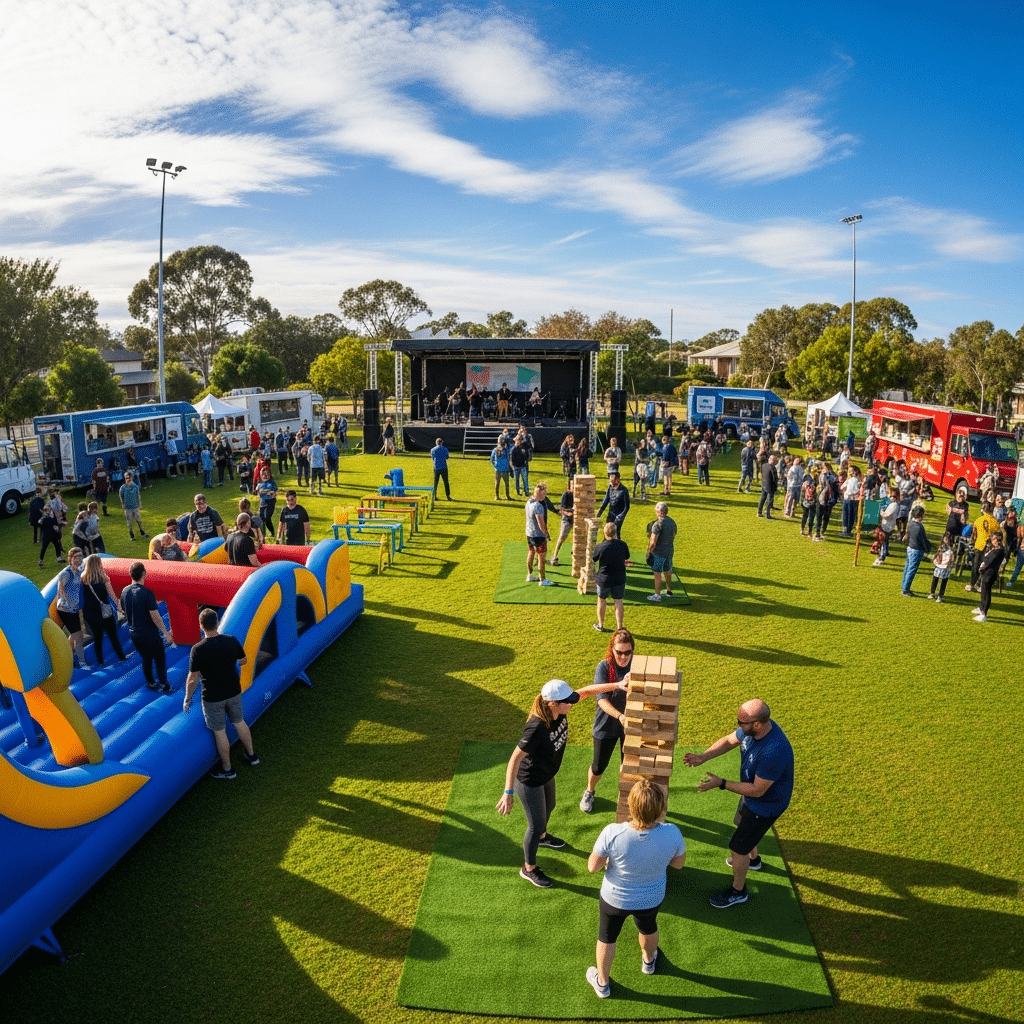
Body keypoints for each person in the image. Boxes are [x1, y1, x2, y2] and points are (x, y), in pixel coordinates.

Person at [496, 677, 627, 888]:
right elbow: (515, 758)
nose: (572, 703)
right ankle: (528, 868)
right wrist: (508, 792)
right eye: (568, 701)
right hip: (530, 780)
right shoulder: (536, 728)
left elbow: (585, 692)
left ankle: (542, 837)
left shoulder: (559, 709)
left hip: (547, 774)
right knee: (535, 824)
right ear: (553, 703)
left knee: (551, 806)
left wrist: (617, 685)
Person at [684, 698, 793, 909]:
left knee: (737, 848)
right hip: (752, 796)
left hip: (765, 805)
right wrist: (703, 757)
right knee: (739, 823)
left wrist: (721, 783)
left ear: (758, 724)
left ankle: (738, 891)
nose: (739, 726)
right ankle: (754, 861)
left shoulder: (774, 751)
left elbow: (757, 790)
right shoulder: (753, 729)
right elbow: (729, 740)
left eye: (742, 722)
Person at [585, 779, 686, 997]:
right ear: (660, 808)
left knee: (607, 936)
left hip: (614, 900)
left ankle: (602, 983)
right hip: (651, 898)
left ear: (631, 806)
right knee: (648, 927)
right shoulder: (672, 832)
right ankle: (648, 962)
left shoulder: (612, 832)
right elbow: (678, 864)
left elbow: (593, 867)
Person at [183, 608, 259, 779]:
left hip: (213, 697)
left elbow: (192, 678)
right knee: (239, 722)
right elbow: (244, 660)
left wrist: (187, 698)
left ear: (201, 626)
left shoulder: (198, 649)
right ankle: (252, 755)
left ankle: (228, 769)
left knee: (220, 732)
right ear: (217, 623)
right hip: (233, 690)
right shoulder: (230, 640)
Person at [579, 628, 634, 812]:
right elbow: (601, 699)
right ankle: (589, 791)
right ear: (612, 649)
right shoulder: (604, 666)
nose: (624, 657)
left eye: (628, 652)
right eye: (619, 652)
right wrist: (620, 716)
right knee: (598, 766)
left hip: (630, 725)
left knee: (629, 766)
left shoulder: (637, 666)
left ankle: (629, 799)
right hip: (606, 724)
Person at [121, 560, 174, 691]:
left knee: (146, 658)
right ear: (144, 574)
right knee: (160, 659)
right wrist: (166, 633)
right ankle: (165, 685)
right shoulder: (147, 593)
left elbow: (123, 609)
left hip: (134, 633)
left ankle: (150, 682)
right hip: (149, 634)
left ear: (131, 575)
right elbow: (155, 616)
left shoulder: (124, 591)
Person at [80, 553, 129, 668]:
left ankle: (100, 662)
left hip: (91, 615)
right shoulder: (104, 578)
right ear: (98, 565)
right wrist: (120, 606)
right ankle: (122, 657)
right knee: (113, 637)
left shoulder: (82, 579)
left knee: (98, 639)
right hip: (105, 613)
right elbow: (112, 595)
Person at [56, 548, 90, 672]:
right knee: (79, 637)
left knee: (74, 635)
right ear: (70, 559)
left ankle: (70, 659)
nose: (79, 559)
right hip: (66, 609)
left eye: (80, 557)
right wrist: (70, 604)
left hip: (73, 609)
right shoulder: (66, 573)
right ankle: (82, 663)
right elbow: (60, 590)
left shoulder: (78, 571)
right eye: (76, 557)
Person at [592, 522, 629, 633]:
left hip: (604, 578)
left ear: (604, 533)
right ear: (615, 533)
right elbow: (627, 556)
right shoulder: (622, 545)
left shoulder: (600, 546)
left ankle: (601, 624)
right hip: (619, 578)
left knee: (601, 601)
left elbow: (594, 559)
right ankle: (619, 627)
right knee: (618, 602)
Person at [524, 482, 554, 586]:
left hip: (529, 533)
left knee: (531, 552)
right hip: (538, 536)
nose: (545, 496)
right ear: (539, 494)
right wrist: (546, 534)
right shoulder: (538, 506)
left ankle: (529, 575)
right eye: (543, 494)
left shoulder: (529, 502)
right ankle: (543, 580)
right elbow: (541, 523)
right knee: (541, 557)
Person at [966, 502, 1000, 593]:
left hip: (979, 545)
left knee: (976, 566)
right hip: (989, 547)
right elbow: (997, 536)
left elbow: (974, 534)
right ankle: (980, 585)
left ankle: (972, 584)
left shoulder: (979, 520)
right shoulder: (995, 522)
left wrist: (972, 543)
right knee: (985, 567)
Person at [646, 501, 676, 601]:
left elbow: (653, 542)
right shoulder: (672, 522)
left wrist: (649, 552)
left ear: (659, 512)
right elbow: (673, 535)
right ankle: (669, 590)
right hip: (669, 551)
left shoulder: (657, 524)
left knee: (657, 573)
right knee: (668, 571)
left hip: (658, 552)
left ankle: (657, 595)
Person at [972, 532, 1002, 623]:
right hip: (987, 573)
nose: (992, 541)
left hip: (990, 574)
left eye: (993, 539)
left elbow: (987, 560)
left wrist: (985, 557)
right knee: (983, 591)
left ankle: (983, 613)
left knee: (986, 592)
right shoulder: (995, 550)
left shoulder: (998, 551)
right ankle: (981, 608)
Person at [902, 505, 931, 596]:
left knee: (907, 568)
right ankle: (906, 590)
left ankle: (904, 586)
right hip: (916, 550)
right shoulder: (919, 527)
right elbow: (923, 540)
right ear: (920, 516)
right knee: (911, 570)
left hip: (910, 548)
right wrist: (928, 549)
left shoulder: (911, 524)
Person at [119, 471, 148, 542]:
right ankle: (131, 534)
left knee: (139, 520)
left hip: (135, 507)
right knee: (129, 522)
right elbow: (121, 497)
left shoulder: (135, 486)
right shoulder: (123, 488)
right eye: (126, 478)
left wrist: (139, 504)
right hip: (128, 508)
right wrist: (123, 506)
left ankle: (142, 531)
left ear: (132, 478)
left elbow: (138, 496)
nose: (128, 479)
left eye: (129, 477)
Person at [549, 484, 574, 566]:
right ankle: (555, 556)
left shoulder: (578, 494)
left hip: (575, 519)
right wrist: (569, 513)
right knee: (562, 537)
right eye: (573, 484)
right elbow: (561, 510)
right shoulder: (566, 495)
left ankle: (575, 553)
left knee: (578, 537)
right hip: (566, 519)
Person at [38, 501, 65, 569]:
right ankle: (41, 561)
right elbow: (42, 523)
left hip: (53, 534)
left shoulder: (52, 516)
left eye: (49, 509)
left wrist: (58, 526)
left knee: (57, 545)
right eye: (47, 510)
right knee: (44, 548)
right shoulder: (44, 518)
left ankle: (59, 557)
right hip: (46, 536)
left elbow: (55, 522)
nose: (49, 510)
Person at [928, 531, 954, 602]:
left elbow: (952, 558)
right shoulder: (941, 547)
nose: (947, 541)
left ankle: (940, 596)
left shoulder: (951, 548)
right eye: (945, 539)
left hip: (946, 566)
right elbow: (937, 555)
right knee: (935, 579)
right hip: (939, 565)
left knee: (944, 581)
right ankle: (932, 593)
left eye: (948, 540)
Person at [256, 468, 278, 534]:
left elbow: (274, 493)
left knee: (267, 518)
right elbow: (257, 491)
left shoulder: (272, 482)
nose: (265, 476)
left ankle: (272, 532)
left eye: (267, 474)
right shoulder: (260, 483)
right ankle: (263, 535)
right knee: (261, 520)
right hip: (262, 502)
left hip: (270, 501)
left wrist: (265, 491)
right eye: (264, 474)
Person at [757, 454, 778, 519]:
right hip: (770, 486)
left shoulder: (764, 465)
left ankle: (759, 512)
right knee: (769, 501)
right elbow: (775, 478)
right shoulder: (773, 468)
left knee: (762, 498)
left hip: (764, 484)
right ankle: (767, 514)